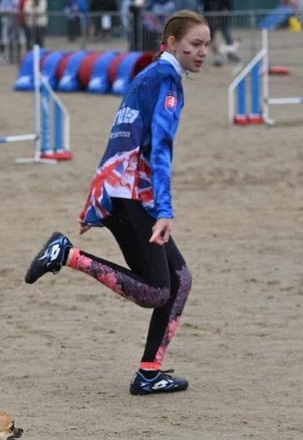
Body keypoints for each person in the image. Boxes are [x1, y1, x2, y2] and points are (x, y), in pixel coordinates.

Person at [24, 10, 210, 396]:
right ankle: (68, 255)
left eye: (207, 44)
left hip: (119, 190)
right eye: (195, 44)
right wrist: (165, 209)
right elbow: (160, 147)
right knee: (158, 290)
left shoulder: (149, 76)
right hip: (132, 194)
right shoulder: (167, 79)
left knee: (180, 280)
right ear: (172, 42)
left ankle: (148, 372)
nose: (203, 52)